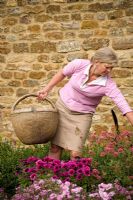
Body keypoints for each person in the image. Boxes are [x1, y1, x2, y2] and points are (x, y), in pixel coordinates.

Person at [37, 47, 133, 160]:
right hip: (62, 107)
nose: (109, 71)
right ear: (97, 61)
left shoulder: (108, 84)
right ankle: (50, 176)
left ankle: (73, 177)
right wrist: (47, 89)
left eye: (111, 68)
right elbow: (62, 73)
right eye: (107, 67)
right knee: (55, 147)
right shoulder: (79, 64)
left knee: (75, 154)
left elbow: (123, 104)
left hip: (83, 115)